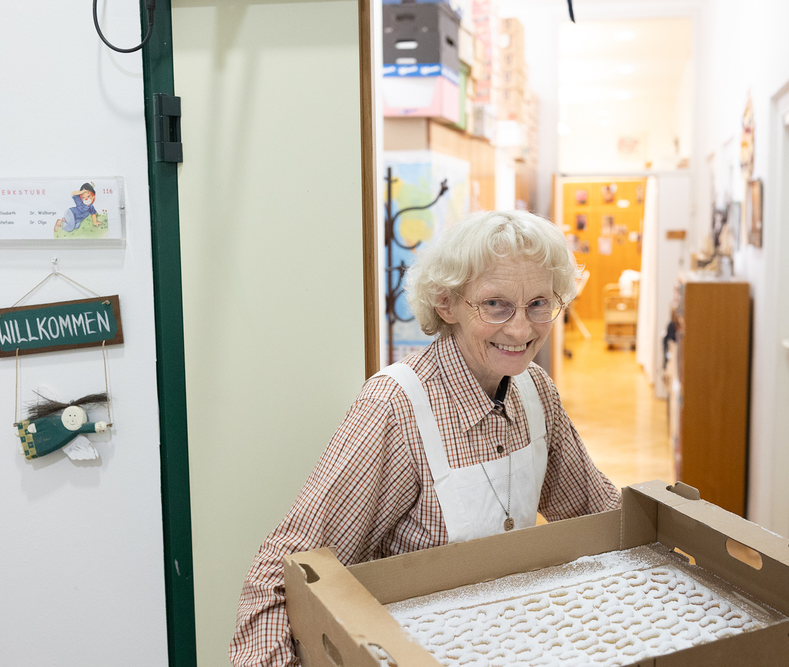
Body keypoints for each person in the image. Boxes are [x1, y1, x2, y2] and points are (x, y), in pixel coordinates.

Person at [230, 210, 622, 666]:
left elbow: (598, 513)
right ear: (446, 303)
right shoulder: (396, 408)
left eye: (538, 303)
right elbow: (282, 577)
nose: (521, 329)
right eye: (495, 304)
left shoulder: (535, 391)